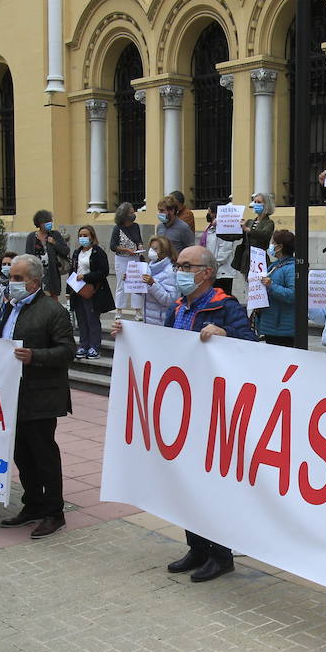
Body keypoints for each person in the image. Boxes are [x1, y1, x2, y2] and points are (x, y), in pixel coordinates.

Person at [112, 246, 256, 583]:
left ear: (206, 272)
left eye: (186, 266)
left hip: (214, 409)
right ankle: (197, 547)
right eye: (178, 265)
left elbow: (251, 346)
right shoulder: (178, 308)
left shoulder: (226, 306)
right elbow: (161, 346)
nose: (179, 271)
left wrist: (226, 334)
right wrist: (130, 338)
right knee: (185, 481)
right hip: (183, 408)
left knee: (211, 485)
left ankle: (221, 554)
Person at [0, 253, 74, 539]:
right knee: (21, 454)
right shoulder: (10, 306)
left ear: (35, 282)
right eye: (10, 277)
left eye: (17, 278)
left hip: (41, 396)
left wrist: (35, 356)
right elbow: (7, 340)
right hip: (12, 392)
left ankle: (55, 512)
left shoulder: (53, 311)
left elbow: (68, 352)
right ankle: (33, 504)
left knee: (44, 456)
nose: (10, 282)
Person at [69, 225, 115, 359]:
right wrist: (69, 289)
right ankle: (83, 345)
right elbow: (72, 270)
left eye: (86, 235)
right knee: (81, 319)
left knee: (92, 319)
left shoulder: (98, 252)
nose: (83, 238)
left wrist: (86, 277)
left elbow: (103, 271)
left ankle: (94, 347)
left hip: (93, 290)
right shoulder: (77, 252)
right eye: (81, 236)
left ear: (92, 237)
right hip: (77, 290)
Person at [234, 192, 276, 304]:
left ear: (266, 205)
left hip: (259, 259)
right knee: (248, 289)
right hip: (247, 259)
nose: (256, 204)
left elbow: (264, 234)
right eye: (255, 202)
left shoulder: (269, 222)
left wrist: (248, 230)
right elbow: (237, 236)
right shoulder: (250, 222)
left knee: (258, 290)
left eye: (259, 202)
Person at [258, 229, 298, 346]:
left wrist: (271, 286)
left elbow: (293, 294)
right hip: (271, 325)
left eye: (273, 243)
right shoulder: (274, 266)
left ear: (280, 247)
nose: (270, 246)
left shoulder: (291, 268)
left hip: (283, 328)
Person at [27, 209, 70, 297]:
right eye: (46, 222)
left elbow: (66, 251)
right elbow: (28, 256)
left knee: (52, 298)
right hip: (37, 274)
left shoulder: (55, 234)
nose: (49, 223)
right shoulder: (32, 237)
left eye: (50, 221)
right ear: (39, 223)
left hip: (52, 274)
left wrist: (54, 243)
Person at [111, 202, 144, 317]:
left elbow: (139, 240)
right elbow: (113, 246)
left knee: (136, 283)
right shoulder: (117, 229)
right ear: (124, 215)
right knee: (121, 283)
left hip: (135, 257)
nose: (133, 214)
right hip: (122, 259)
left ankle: (138, 310)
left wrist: (140, 246)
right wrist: (126, 250)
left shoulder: (136, 226)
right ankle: (119, 309)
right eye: (131, 212)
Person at [136, 235, 177, 327]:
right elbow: (144, 292)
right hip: (149, 320)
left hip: (162, 322)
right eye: (151, 248)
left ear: (164, 251)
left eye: (155, 249)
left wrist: (152, 284)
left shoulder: (170, 271)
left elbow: (170, 300)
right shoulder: (150, 267)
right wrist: (131, 281)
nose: (151, 251)